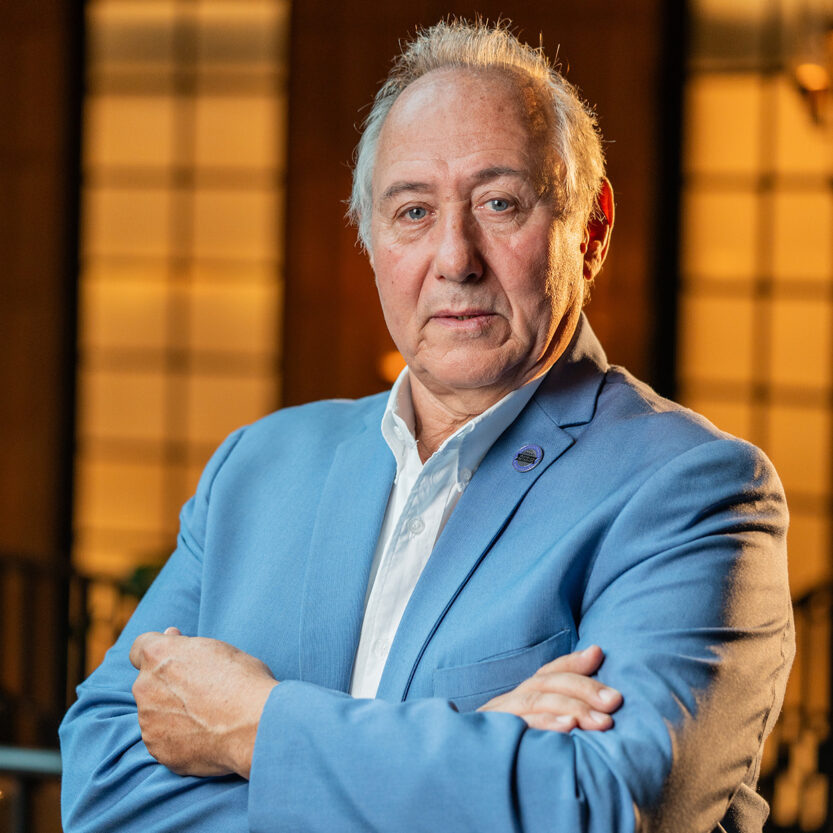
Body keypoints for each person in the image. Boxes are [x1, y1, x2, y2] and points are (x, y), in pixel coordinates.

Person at [60, 19, 794, 833]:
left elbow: (594, 807)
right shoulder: (257, 467)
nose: (455, 258)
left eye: (499, 203)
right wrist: (480, 739)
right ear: (370, 241)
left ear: (590, 229)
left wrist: (253, 725)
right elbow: (101, 783)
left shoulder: (695, 490)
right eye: (412, 211)